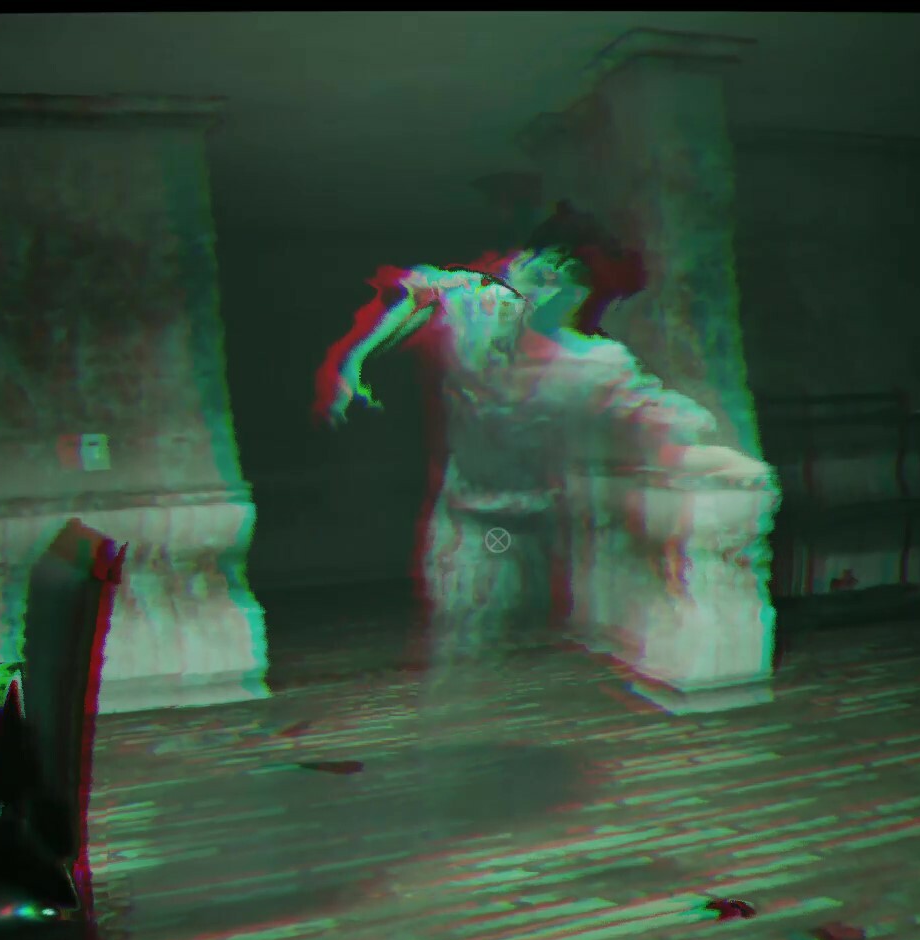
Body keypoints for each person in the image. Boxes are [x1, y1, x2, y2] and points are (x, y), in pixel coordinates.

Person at [313, 203, 765, 691]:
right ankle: (468, 680)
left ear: (577, 292)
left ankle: (486, 674)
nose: (541, 279)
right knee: (469, 623)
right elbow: (419, 297)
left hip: (525, 525)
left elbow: (667, 428)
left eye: (561, 275)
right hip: (468, 520)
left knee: (499, 624)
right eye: (536, 266)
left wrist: (729, 465)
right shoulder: (479, 305)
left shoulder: (595, 364)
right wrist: (355, 364)